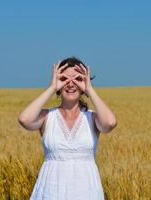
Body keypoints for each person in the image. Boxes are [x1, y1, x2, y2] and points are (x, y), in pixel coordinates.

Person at [18, 56, 117, 199]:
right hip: (51, 191)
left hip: (86, 192)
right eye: (64, 79)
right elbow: (24, 119)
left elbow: (110, 123)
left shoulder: (93, 118)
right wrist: (52, 88)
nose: (71, 84)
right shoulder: (47, 117)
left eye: (77, 79)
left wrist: (90, 90)